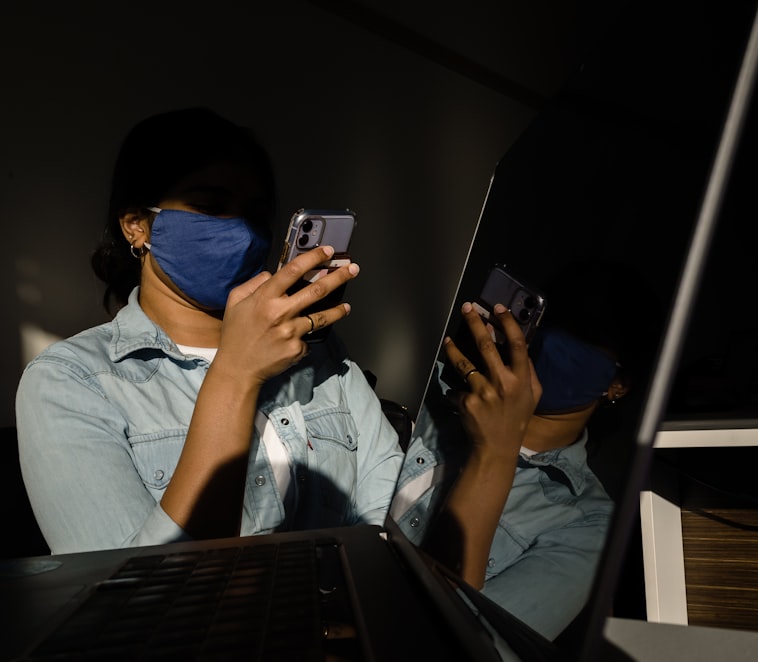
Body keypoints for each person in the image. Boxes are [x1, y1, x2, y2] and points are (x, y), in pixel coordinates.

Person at [15, 107, 403, 555]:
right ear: (136, 225)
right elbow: (126, 598)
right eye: (209, 207)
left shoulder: (316, 350)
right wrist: (235, 374)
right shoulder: (71, 380)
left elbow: (387, 521)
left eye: (255, 214)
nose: (239, 231)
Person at [391, 260, 664, 640]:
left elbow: (468, 647)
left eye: (586, 335)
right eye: (554, 316)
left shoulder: (587, 523)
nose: (553, 340)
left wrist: (497, 450)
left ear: (618, 384)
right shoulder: (433, 390)